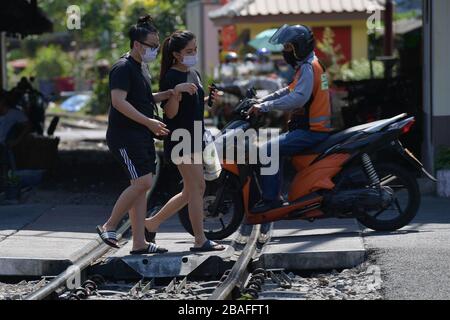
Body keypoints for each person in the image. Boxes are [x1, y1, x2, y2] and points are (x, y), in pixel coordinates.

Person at [97, 15, 184, 255]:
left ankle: (139, 243)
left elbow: (142, 99)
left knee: (141, 187)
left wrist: (164, 94)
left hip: (140, 134)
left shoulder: (139, 67)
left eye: (157, 46)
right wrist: (149, 122)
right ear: (137, 44)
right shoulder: (122, 67)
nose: (155, 51)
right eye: (152, 46)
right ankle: (109, 225)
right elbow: (119, 102)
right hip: (125, 136)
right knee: (142, 183)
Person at [143, 30, 225, 252]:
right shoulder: (171, 77)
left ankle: (152, 223)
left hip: (196, 137)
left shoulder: (194, 73)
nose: (193, 54)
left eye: (195, 50)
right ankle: (200, 240)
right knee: (198, 187)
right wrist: (176, 93)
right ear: (177, 55)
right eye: (189, 51)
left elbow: (194, 105)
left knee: (190, 191)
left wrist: (209, 99)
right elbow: (171, 114)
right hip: (181, 140)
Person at [248, 24, 333, 213]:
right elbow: (289, 90)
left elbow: (298, 98)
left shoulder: (309, 67)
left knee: (267, 150)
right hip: (310, 128)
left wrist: (265, 106)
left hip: (312, 131)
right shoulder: (308, 65)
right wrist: (263, 100)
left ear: (299, 46)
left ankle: (271, 200)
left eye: (288, 47)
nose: (285, 52)